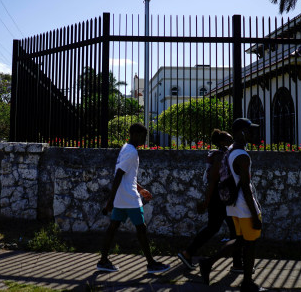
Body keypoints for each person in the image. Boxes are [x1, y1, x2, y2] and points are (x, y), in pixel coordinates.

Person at [97, 123, 170, 274]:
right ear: (136, 134)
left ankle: (103, 260)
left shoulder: (126, 148)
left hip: (122, 197)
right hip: (129, 198)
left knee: (113, 228)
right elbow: (118, 175)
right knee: (141, 229)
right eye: (144, 136)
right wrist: (110, 201)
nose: (145, 139)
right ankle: (151, 264)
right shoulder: (132, 152)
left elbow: (126, 176)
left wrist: (141, 189)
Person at [177, 129, 241, 272]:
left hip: (219, 198)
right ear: (222, 142)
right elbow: (212, 180)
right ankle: (237, 264)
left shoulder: (219, 155)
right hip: (220, 198)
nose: (232, 143)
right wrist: (206, 202)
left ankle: (188, 253)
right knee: (233, 230)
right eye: (229, 140)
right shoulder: (220, 156)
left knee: (219, 228)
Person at [210, 118, 263, 292]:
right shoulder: (242, 156)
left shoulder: (231, 151)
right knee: (251, 243)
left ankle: (207, 263)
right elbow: (246, 187)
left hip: (233, 205)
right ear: (241, 132)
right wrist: (255, 214)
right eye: (249, 130)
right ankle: (247, 283)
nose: (252, 133)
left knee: (241, 240)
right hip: (244, 205)